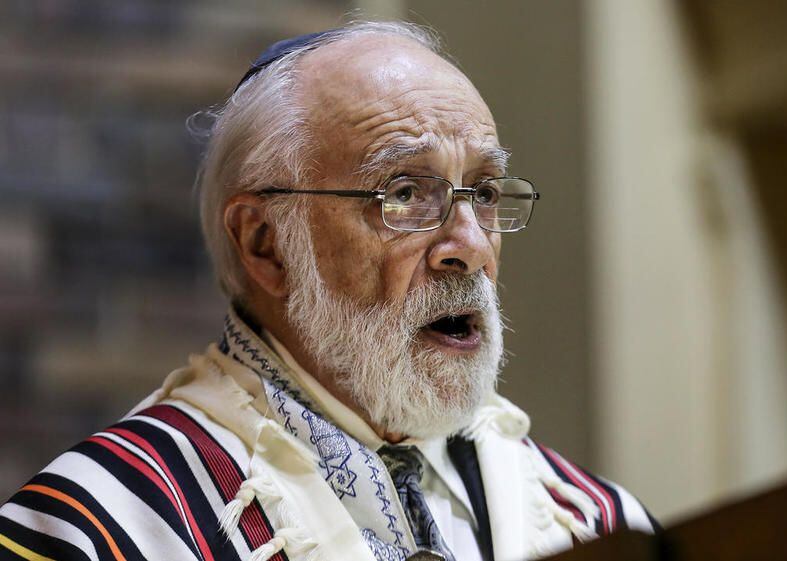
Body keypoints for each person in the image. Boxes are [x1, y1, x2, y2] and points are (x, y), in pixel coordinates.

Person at [0, 21, 656, 561]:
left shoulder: (595, 523)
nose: (472, 246)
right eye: (403, 194)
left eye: (482, 193)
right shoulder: (99, 527)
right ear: (265, 242)